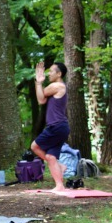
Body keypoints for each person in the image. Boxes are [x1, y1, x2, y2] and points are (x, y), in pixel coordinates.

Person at [31, 61, 69, 191]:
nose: (49, 74)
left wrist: (39, 82)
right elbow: (42, 98)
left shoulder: (57, 86)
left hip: (56, 126)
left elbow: (41, 100)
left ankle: (59, 166)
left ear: (59, 74)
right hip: (60, 127)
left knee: (34, 146)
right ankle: (59, 184)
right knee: (50, 157)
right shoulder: (58, 86)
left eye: (51, 71)